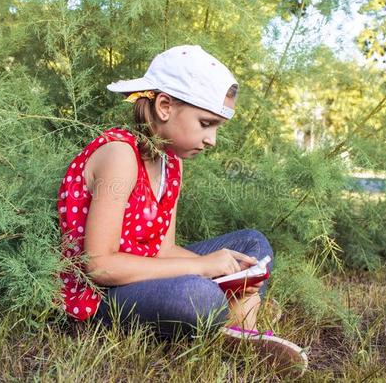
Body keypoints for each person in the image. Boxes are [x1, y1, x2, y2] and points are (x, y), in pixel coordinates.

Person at [57, 45, 307, 375]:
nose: (212, 139)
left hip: (144, 275)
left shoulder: (171, 164)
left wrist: (231, 270)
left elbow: (163, 248)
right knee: (198, 295)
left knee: (252, 245)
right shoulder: (119, 154)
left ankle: (239, 331)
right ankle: (227, 320)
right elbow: (99, 266)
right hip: (100, 297)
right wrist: (203, 268)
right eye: (206, 123)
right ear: (164, 106)